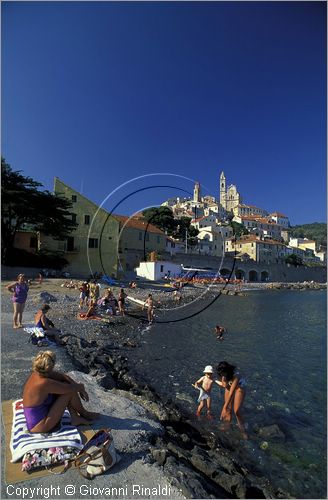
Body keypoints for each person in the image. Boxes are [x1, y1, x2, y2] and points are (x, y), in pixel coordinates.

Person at [23, 351, 98, 433]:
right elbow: (70, 389)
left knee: (66, 386)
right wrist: (81, 387)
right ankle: (84, 414)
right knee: (68, 392)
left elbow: (63, 377)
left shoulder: (39, 373)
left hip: (42, 414)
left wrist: (78, 387)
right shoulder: (44, 382)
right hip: (39, 425)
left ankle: (75, 418)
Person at [216, 361, 247, 438]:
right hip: (230, 386)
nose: (222, 376)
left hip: (240, 387)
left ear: (228, 371)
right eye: (221, 374)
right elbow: (224, 385)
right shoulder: (223, 374)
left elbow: (232, 393)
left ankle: (243, 430)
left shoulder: (236, 375)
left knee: (237, 411)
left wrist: (223, 407)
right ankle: (227, 426)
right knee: (228, 409)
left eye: (223, 374)